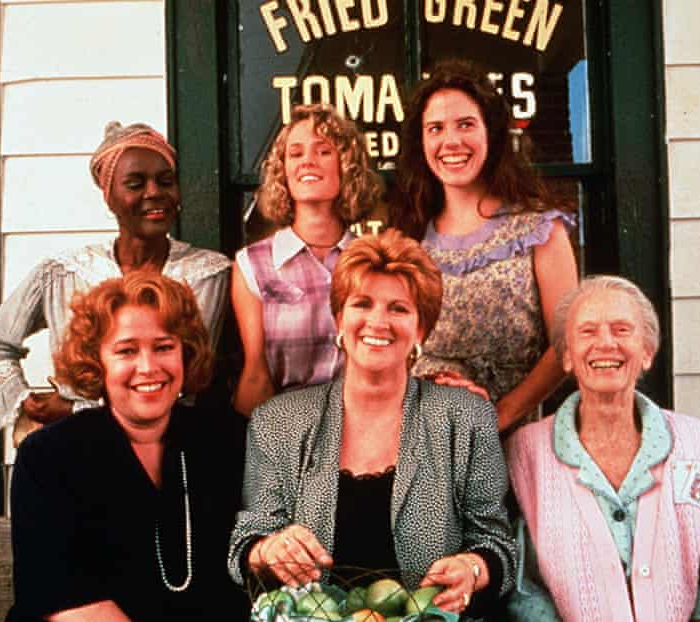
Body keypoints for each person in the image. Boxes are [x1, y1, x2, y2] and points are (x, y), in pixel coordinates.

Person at [228, 229, 516, 619]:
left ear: (421, 329)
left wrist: (474, 569)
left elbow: (498, 544)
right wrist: (268, 550)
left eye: (398, 308)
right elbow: (244, 544)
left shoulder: (466, 417)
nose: (377, 322)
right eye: (361, 304)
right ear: (338, 320)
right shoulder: (279, 421)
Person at [504, 276, 700, 621]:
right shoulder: (527, 453)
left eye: (622, 329)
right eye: (587, 332)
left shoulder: (696, 444)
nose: (606, 343)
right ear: (566, 356)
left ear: (647, 352)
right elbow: (525, 591)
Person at [6, 273, 249, 621]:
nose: (148, 368)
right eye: (126, 350)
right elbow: (64, 601)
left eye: (164, 347)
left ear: (186, 352)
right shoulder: (50, 455)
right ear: (96, 361)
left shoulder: (229, 439)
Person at [0, 121, 231, 440]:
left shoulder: (210, 273)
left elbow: (185, 381)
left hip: (170, 444)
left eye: (166, 181)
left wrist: (73, 408)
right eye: (135, 183)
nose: (155, 193)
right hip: (78, 446)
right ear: (108, 195)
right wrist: (23, 399)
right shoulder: (62, 273)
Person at [392, 59, 579, 433]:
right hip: (422, 437)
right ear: (422, 142)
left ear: (490, 133)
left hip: (514, 434)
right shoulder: (407, 238)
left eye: (465, 124)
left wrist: (502, 414)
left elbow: (567, 344)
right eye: (435, 129)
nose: (451, 141)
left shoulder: (538, 229)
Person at [231, 104, 383, 416]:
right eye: (296, 153)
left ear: (347, 165)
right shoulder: (253, 265)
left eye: (323, 151)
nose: (307, 162)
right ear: (283, 169)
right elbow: (256, 375)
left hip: (365, 427)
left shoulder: (372, 261)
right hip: (286, 429)